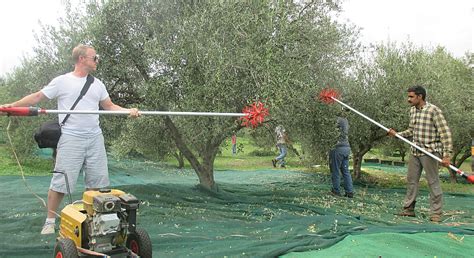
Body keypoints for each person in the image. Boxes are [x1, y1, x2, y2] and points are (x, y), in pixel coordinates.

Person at [0, 44, 140, 234]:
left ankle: (94, 222)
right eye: (94, 57)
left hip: (94, 137)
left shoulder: (98, 84)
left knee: (97, 184)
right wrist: (13, 106)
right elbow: (38, 97)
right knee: (60, 182)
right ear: (82, 59)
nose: (97, 60)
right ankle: (50, 221)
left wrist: (128, 112)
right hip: (71, 137)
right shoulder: (62, 82)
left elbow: (109, 105)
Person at [388, 85, 452, 223]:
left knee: (433, 181)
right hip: (415, 151)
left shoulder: (433, 111)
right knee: (411, 181)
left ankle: (436, 213)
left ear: (420, 96)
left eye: (411, 97)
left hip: (430, 152)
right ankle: (408, 209)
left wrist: (447, 155)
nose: (408, 99)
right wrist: (397, 134)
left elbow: (445, 133)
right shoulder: (412, 111)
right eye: (408, 96)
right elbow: (411, 131)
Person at [329, 108, 354, 198]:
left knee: (335, 170)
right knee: (345, 171)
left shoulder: (337, 120)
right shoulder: (345, 120)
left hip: (338, 148)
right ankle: (349, 191)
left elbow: (329, 130)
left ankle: (336, 191)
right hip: (346, 148)